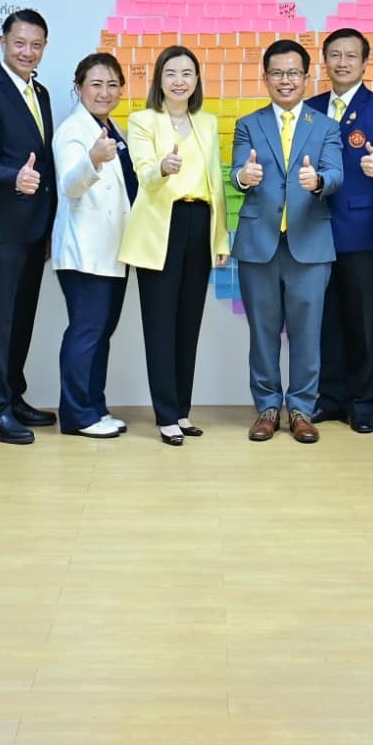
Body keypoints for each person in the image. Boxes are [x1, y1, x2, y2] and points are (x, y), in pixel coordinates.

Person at [232, 39, 343, 443]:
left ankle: (300, 409)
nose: (285, 80)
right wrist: (244, 177)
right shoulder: (249, 123)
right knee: (262, 333)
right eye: (277, 73)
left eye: (293, 73)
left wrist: (318, 181)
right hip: (259, 244)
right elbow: (237, 172)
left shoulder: (326, 126)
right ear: (265, 78)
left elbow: (336, 175)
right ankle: (266, 408)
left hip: (309, 243)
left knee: (307, 333)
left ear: (306, 77)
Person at [122, 44, 231, 446]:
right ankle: (165, 414)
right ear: (159, 80)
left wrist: (220, 237)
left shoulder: (207, 122)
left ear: (197, 80)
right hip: (160, 227)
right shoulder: (142, 120)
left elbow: (216, 185)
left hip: (198, 223)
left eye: (187, 73)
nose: (179, 81)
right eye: (171, 73)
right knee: (160, 325)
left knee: (188, 323)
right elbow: (143, 173)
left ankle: (182, 410)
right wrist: (162, 169)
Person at [0, 9, 61, 444]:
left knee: (21, 318)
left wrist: (50, 224)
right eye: (20, 43)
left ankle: (13, 395)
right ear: (3, 42)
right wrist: (14, 177)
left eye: (36, 45)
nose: (27, 52)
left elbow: (47, 164)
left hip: (33, 227)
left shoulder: (39, 92)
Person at [305, 28, 373, 433]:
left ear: (365, 62)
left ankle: (362, 405)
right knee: (324, 321)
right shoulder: (309, 107)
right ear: (324, 61)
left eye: (350, 55)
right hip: (313, 231)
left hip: (362, 232)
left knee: (363, 322)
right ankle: (329, 398)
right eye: (335, 54)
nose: (342, 62)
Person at [50, 53, 135, 439]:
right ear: (78, 87)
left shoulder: (110, 127)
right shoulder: (74, 130)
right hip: (85, 253)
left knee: (100, 332)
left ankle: (94, 407)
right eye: (96, 84)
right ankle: (76, 415)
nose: (105, 92)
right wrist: (92, 160)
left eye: (112, 84)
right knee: (86, 332)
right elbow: (70, 185)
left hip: (112, 250)